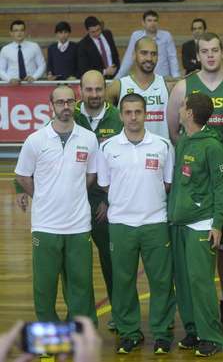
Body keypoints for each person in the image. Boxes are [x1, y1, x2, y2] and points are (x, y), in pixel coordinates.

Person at [167, 32, 223, 335]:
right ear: (198, 56)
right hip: (199, 185)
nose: (211, 56)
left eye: (215, 50)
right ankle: (203, 317)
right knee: (203, 253)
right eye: (205, 51)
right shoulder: (183, 87)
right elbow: (176, 134)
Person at [96, 93, 175, 355]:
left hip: (155, 222)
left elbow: (168, 183)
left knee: (162, 282)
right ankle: (129, 332)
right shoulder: (107, 148)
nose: (133, 117)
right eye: (128, 112)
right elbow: (105, 185)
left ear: (146, 113)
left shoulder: (163, 145)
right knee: (123, 281)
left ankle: (162, 333)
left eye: (137, 112)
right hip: (120, 225)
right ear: (121, 115)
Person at [14, 84, 98, 324]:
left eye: (70, 102)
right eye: (60, 103)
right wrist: (41, 196)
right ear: (51, 106)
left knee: (80, 288)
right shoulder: (35, 140)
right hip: (46, 226)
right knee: (44, 288)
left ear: (76, 104)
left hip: (79, 225)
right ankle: (49, 338)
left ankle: (80, 335)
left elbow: (91, 176)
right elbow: (22, 175)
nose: (65, 107)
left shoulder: (89, 139)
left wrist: (73, 192)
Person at [168, 92, 223, 357]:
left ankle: (211, 335)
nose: (179, 109)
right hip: (179, 222)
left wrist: (217, 223)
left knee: (201, 283)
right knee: (183, 282)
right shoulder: (184, 139)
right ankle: (194, 330)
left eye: (182, 106)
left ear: (190, 113)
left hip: (201, 224)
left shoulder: (212, 146)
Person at [74, 71, 123, 331]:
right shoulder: (69, 116)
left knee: (111, 261)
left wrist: (108, 198)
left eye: (98, 89)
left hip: (105, 204)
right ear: (80, 90)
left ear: (105, 90)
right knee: (78, 265)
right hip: (74, 203)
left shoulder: (118, 118)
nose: (94, 95)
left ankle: (119, 310)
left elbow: (124, 162)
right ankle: (83, 317)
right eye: (89, 90)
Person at [106, 37, 171, 139]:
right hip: (129, 151)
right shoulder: (118, 86)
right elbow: (106, 121)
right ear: (134, 55)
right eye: (144, 53)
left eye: (153, 54)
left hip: (160, 151)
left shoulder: (168, 85)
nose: (149, 58)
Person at [117, 10, 180, 79]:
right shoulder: (136, 36)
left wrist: (176, 77)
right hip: (142, 78)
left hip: (162, 78)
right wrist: (117, 78)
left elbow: (172, 58)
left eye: (155, 20)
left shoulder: (166, 36)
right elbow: (128, 58)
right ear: (143, 23)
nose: (153, 23)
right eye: (149, 20)